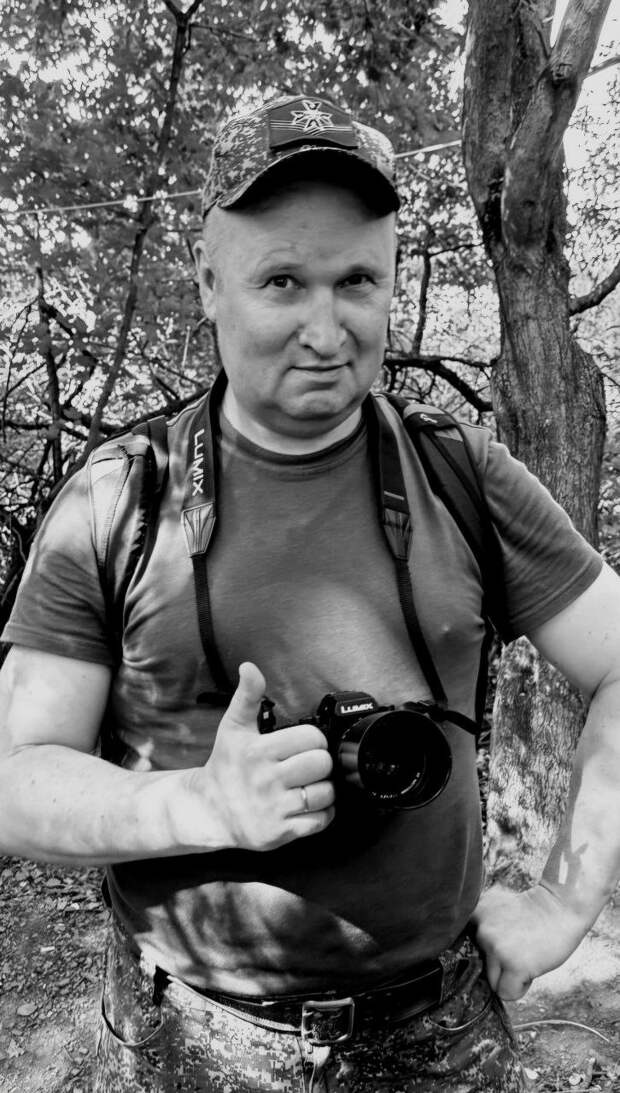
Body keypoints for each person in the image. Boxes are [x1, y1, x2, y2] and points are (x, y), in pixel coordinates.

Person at [0, 93, 619, 1093]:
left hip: (439, 1030)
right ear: (209, 282)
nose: (325, 330)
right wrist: (196, 804)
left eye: (356, 281)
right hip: (184, 1039)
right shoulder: (120, 500)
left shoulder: (462, 475)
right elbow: (14, 780)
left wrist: (562, 901)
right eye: (282, 281)